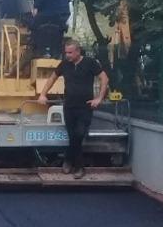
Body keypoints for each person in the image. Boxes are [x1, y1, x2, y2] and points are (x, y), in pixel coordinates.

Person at [36, 40, 109, 179]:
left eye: (70, 52)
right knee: (72, 136)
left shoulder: (90, 63)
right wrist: (43, 94)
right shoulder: (64, 64)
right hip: (69, 107)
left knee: (79, 134)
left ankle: (75, 164)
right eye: (66, 52)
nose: (67, 55)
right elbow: (52, 78)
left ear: (77, 51)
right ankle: (71, 162)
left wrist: (99, 98)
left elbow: (104, 79)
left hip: (85, 107)